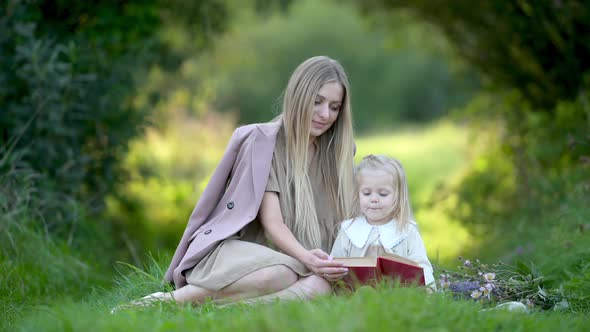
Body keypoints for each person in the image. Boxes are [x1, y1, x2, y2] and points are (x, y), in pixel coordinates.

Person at [113, 56, 356, 311]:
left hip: (294, 261)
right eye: (316, 102)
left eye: (334, 106)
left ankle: (225, 310)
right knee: (281, 274)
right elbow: (273, 223)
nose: (325, 114)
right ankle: (164, 302)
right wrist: (308, 258)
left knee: (321, 287)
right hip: (244, 255)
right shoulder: (265, 143)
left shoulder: (337, 152)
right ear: (298, 96)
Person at [330, 154, 435, 288]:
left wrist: (429, 292)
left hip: (398, 293)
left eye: (383, 194)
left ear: (398, 196)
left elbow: (422, 266)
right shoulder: (349, 230)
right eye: (367, 193)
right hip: (354, 292)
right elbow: (334, 264)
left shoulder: (406, 231)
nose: (374, 199)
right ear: (357, 194)